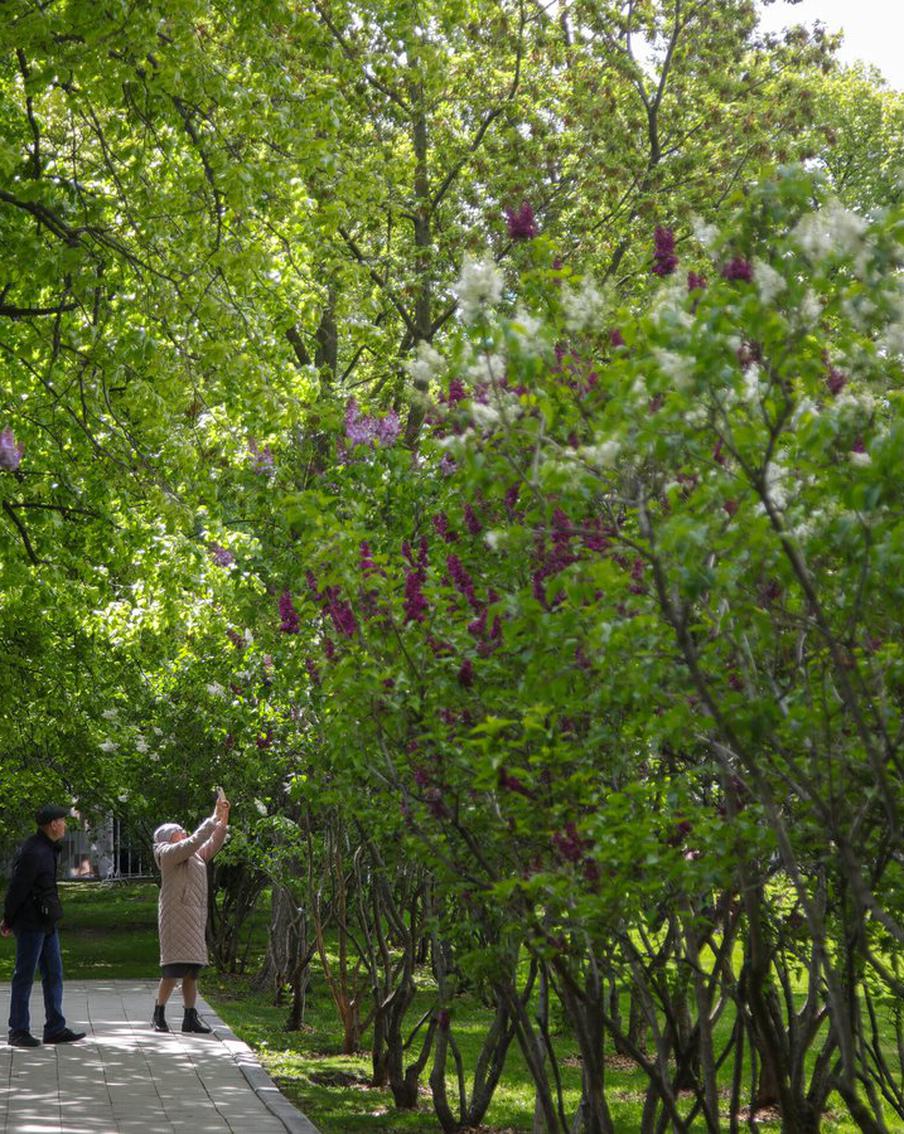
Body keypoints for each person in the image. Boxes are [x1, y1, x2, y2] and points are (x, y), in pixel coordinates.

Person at [0, 804, 86, 1047]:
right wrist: (8, 919)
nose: (66, 825)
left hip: (46, 921)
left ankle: (55, 1028)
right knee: (24, 975)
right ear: (53, 825)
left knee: (54, 974)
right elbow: (18, 888)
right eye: (63, 820)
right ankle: (18, 1030)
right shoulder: (34, 852)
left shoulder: (46, 847)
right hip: (30, 922)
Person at [151, 793, 230, 1034]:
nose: (183, 832)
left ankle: (189, 1017)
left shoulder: (194, 854)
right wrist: (213, 817)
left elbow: (212, 841)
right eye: (179, 830)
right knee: (172, 971)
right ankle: (158, 1014)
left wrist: (223, 816)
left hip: (194, 918)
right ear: (167, 837)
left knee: (192, 972)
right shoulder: (166, 852)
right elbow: (195, 840)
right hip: (175, 919)